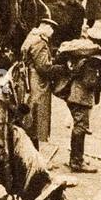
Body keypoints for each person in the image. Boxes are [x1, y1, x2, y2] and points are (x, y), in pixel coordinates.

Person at [59, 26, 101, 173]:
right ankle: (76, 161)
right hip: (81, 97)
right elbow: (89, 82)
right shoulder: (94, 59)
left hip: (74, 94)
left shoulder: (80, 53)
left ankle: (76, 158)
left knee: (78, 126)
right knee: (80, 128)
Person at [20, 19, 64, 148]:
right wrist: (60, 68)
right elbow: (43, 67)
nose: (52, 32)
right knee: (37, 115)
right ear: (46, 27)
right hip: (37, 81)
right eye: (52, 29)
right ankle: (33, 150)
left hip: (29, 76)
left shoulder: (31, 36)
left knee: (32, 114)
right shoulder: (40, 42)